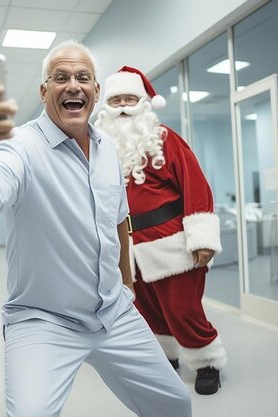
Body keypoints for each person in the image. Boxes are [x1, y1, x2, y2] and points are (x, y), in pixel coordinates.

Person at [0, 40, 192, 416]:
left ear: (96, 90)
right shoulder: (19, 147)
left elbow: (119, 220)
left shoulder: (108, 149)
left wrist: (126, 285)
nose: (73, 85)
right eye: (60, 77)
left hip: (114, 315)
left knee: (175, 404)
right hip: (43, 321)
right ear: (44, 91)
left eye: (83, 77)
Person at [95, 66, 227, 395]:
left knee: (183, 310)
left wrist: (203, 239)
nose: (123, 106)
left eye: (129, 98)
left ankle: (207, 363)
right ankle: (166, 356)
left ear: (144, 103)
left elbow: (196, 185)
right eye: (116, 100)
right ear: (106, 107)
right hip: (128, 246)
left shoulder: (164, 139)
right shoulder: (98, 148)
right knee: (147, 310)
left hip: (172, 243)